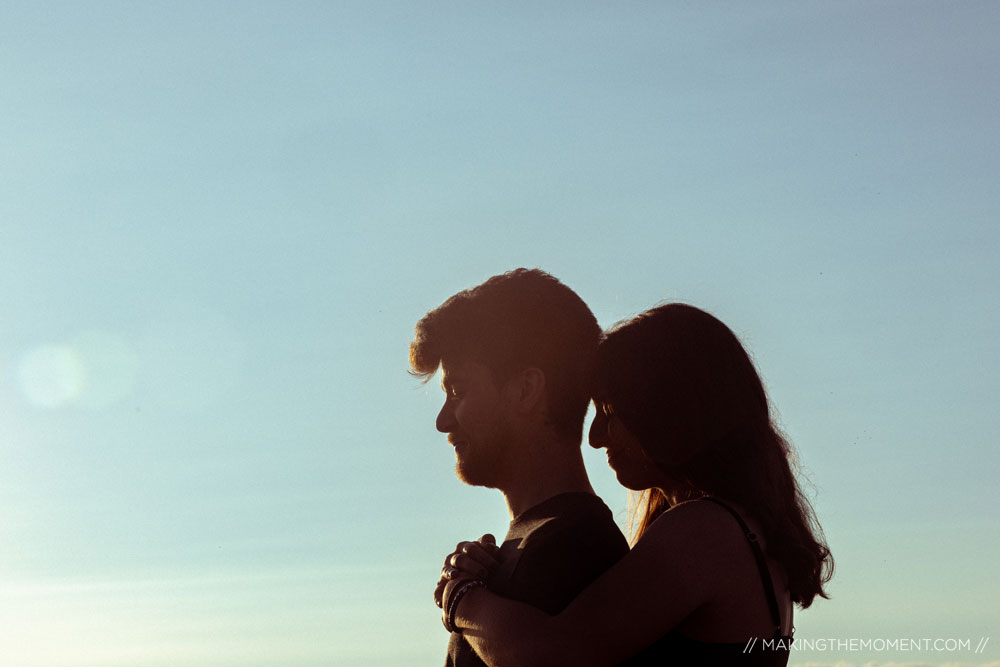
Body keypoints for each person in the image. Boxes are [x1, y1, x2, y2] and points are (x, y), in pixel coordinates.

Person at [435, 303, 834, 666]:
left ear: (670, 409)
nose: (595, 436)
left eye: (610, 411)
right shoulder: (740, 533)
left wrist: (462, 597)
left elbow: (553, 654)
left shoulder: (703, 533)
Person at [410, 268, 629, 667]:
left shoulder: (575, 547)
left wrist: (463, 598)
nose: (443, 420)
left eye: (458, 391)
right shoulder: (525, 547)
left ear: (527, 390)